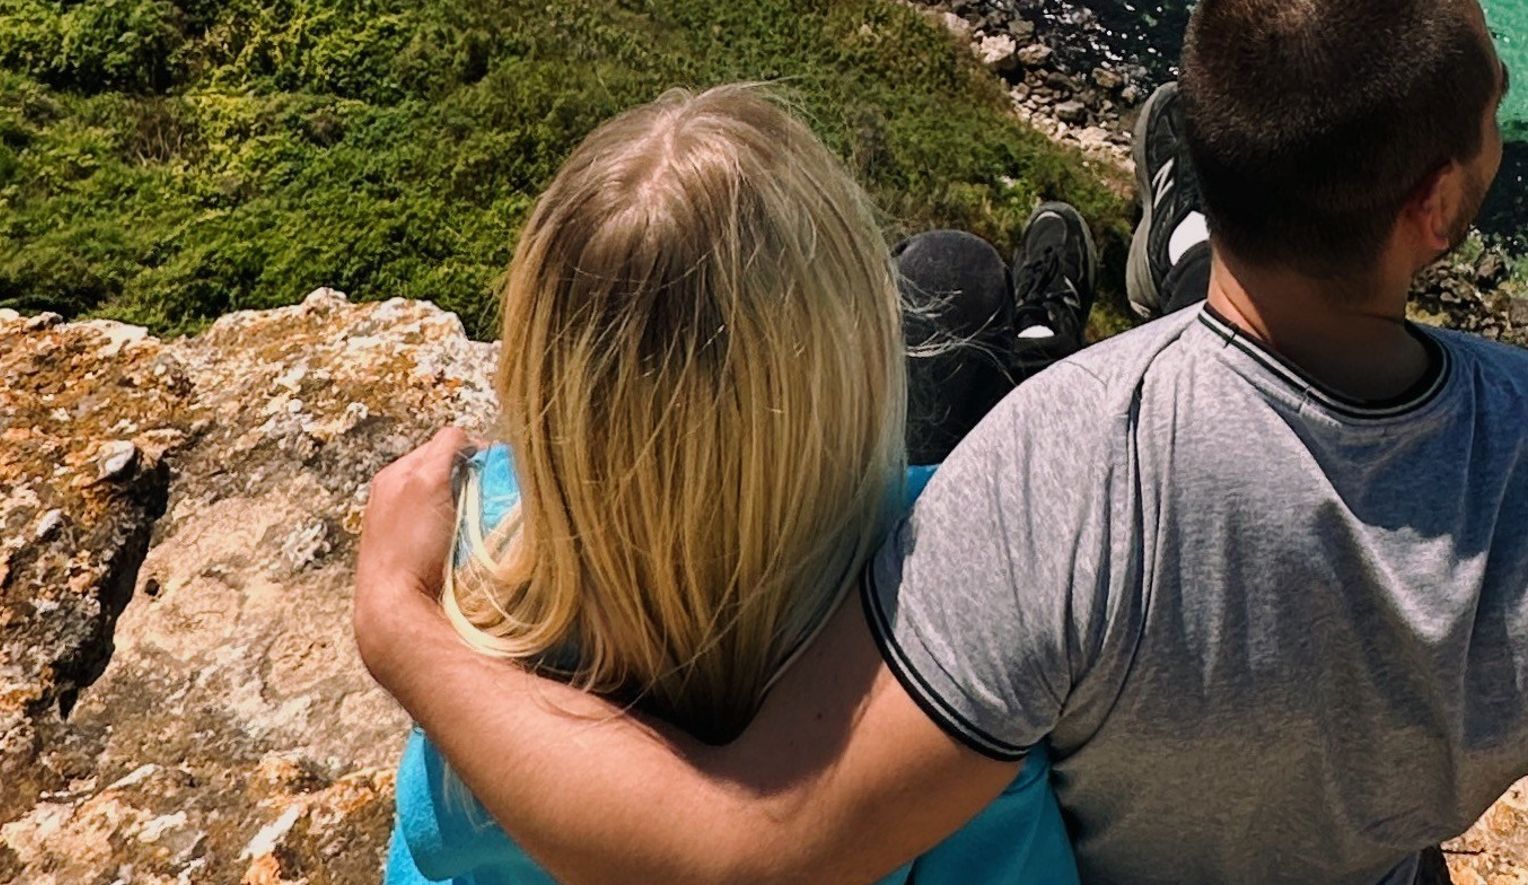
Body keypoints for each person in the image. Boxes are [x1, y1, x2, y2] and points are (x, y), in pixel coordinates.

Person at [359, 0, 1528, 885]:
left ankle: (1153, 276)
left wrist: (412, 633)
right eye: (1497, 115)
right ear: (1441, 202)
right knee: (966, 324)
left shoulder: (1046, 473)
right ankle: (1151, 276)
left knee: (964, 319)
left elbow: (757, 843)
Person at [379, 84, 1093, 885]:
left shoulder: (478, 631)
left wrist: (399, 609)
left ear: (542, 380)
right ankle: (1053, 344)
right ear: (861, 358)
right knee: (960, 279)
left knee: (953, 280)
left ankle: (1039, 346)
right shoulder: (942, 628)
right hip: (869, 554)